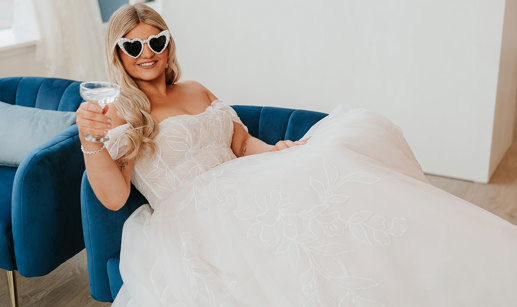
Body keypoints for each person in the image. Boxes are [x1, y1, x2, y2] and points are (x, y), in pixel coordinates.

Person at [78, 4, 517, 307]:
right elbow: (114, 197)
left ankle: (431, 262)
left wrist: (277, 152)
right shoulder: (119, 112)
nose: (146, 53)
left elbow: (240, 144)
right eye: (132, 47)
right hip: (194, 210)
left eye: (155, 41)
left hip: (244, 179)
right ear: (118, 54)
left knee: (334, 164)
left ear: (169, 44)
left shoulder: (196, 89)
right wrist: (90, 142)